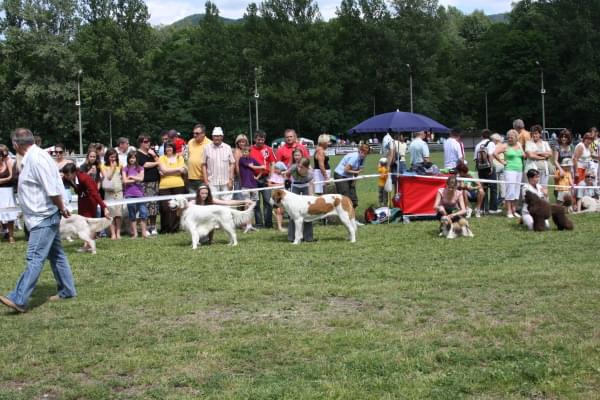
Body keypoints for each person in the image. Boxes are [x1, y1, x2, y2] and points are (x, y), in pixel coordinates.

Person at [0, 128, 76, 313]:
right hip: (41, 216)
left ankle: (19, 298)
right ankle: (67, 290)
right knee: (56, 255)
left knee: (35, 257)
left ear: (16, 144)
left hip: (43, 216)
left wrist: (62, 207)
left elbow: (52, 189)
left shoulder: (36, 159)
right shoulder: (36, 157)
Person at [62, 163, 111, 251]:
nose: (66, 177)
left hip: (91, 200)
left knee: (89, 221)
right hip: (81, 199)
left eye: (68, 175)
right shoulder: (67, 178)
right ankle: (87, 244)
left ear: (74, 173)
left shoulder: (84, 178)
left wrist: (104, 207)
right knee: (82, 223)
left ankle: (87, 245)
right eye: (65, 175)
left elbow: (95, 193)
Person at [249, 130, 277, 228]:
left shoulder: (268, 149)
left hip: (265, 178)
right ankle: (259, 223)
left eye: (262, 139)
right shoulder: (250, 149)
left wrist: (271, 176)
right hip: (253, 179)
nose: (261, 141)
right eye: (258, 139)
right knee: (255, 202)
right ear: (254, 139)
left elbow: (273, 163)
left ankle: (268, 223)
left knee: (268, 201)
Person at [495, 129, 524, 218]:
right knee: (510, 190)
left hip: (519, 169)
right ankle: (509, 211)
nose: (510, 139)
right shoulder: (505, 146)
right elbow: (494, 153)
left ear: (516, 138)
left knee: (516, 190)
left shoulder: (519, 145)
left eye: (512, 137)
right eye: (509, 137)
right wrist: (502, 161)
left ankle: (514, 210)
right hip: (509, 170)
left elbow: (523, 154)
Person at [158, 141, 187, 233]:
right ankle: (165, 228)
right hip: (164, 186)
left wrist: (167, 171)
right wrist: (177, 169)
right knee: (165, 208)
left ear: (174, 148)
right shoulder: (162, 158)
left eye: (170, 147)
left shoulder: (180, 157)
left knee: (177, 207)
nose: (168, 149)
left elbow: (182, 171)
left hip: (178, 185)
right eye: (167, 147)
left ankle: (174, 228)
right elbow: (164, 170)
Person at [202, 127, 235, 200]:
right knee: (213, 204)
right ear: (212, 137)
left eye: (218, 136)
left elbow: (232, 163)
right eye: (215, 136)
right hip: (212, 182)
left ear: (222, 137)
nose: (216, 138)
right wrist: (206, 181)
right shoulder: (206, 148)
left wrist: (231, 179)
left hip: (226, 181)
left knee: (227, 204)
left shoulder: (227, 147)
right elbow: (203, 164)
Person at [136, 134, 160, 235]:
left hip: (154, 181)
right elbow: (144, 165)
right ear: (140, 143)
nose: (148, 143)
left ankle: (153, 227)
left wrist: (154, 155)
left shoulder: (152, 153)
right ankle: (144, 228)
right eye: (145, 142)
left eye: (149, 141)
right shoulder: (137, 154)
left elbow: (160, 161)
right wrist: (156, 163)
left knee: (154, 205)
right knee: (144, 205)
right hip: (143, 183)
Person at [286, 157, 314, 242]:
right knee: (293, 214)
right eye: (298, 166)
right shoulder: (294, 167)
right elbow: (287, 174)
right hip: (295, 187)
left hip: (305, 187)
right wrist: (288, 181)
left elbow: (311, 184)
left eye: (301, 167)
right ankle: (292, 237)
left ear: (306, 167)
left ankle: (308, 237)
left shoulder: (310, 172)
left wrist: (311, 197)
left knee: (308, 212)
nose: (299, 168)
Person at [122, 151, 149, 239]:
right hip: (129, 193)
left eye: (133, 158)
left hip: (139, 193)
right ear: (128, 159)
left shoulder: (140, 168)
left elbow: (142, 178)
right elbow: (125, 181)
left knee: (143, 212)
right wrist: (136, 179)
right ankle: (135, 233)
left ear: (136, 159)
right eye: (130, 158)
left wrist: (132, 177)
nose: (132, 159)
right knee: (132, 214)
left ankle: (144, 233)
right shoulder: (125, 168)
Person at [334, 143, 369, 209]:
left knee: (354, 200)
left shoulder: (362, 159)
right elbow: (346, 169)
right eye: (363, 152)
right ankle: (345, 216)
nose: (364, 155)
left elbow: (358, 169)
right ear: (360, 150)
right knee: (346, 198)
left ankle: (351, 215)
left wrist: (354, 181)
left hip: (349, 176)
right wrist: (356, 172)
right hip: (340, 175)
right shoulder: (355, 157)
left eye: (366, 153)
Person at [238, 145, 264, 232]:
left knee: (253, 205)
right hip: (245, 185)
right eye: (243, 152)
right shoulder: (241, 160)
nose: (245, 153)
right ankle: (246, 224)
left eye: (246, 152)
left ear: (249, 152)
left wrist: (257, 177)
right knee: (247, 204)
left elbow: (262, 169)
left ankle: (250, 224)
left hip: (254, 185)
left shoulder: (252, 159)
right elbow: (254, 167)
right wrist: (261, 167)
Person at [474, 129, 500, 214]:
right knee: (493, 188)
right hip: (489, 168)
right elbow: (490, 155)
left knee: (483, 188)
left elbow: (475, 159)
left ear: (482, 136)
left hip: (480, 169)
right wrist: (491, 167)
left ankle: (482, 208)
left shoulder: (478, 145)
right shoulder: (491, 143)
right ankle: (493, 208)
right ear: (490, 136)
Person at [101, 149, 123, 239]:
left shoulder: (120, 165)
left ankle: (118, 233)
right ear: (107, 157)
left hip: (118, 192)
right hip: (109, 193)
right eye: (111, 157)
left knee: (118, 214)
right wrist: (113, 168)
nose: (113, 159)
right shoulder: (103, 166)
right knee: (110, 214)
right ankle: (112, 233)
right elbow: (108, 177)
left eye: (115, 157)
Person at [0, 144, 18, 243]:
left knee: (10, 214)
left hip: (7, 191)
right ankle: (4, 232)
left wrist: (1, 180)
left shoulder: (9, 162)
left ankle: (11, 236)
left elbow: (11, 177)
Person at [187, 123, 212, 194]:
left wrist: (207, 180)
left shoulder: (210, 144)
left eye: (197, 133)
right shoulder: (190, 142)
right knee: (192, 202)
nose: (195, 135)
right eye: (194, 133)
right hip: (191, 178)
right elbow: (186, 158)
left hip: (203, 179)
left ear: (203, 134)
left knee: (203, 202)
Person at [552, 129, 575, 204]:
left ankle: (568, 207)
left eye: (565, 137)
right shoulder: (557, 147)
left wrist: (572, 172)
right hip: (560, 171)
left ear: (568, 138)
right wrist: (561, 170)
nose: (563, 138)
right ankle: (558, 207)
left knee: (569, 189)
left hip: (569, 171)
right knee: (559, 191)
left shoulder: (571, 147)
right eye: (562, 137)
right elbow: (555, 161)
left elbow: (572, 159)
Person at [269, 162, 287, 232]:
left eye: (277, 168)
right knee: (279, 211)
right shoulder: (273, 175)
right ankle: (279, 227)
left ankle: (280, 225)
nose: (275, 170)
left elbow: (287, 183)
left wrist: (277, 184)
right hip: (275, 198)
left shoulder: (285, 175)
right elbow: (269, 185)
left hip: (283, 197)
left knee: (281, 212)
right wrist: (280, 185)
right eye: (275, 168)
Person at [490, 133, 506, 207]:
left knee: (495, 184)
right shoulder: (504, 145)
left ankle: (495, 199)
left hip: (496, 165)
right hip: (503, 165)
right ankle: (503, 198)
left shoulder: (494, 146)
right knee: (503, 183)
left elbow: (493, 155)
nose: (492, 140)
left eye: (492, 139)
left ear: (495, 140)